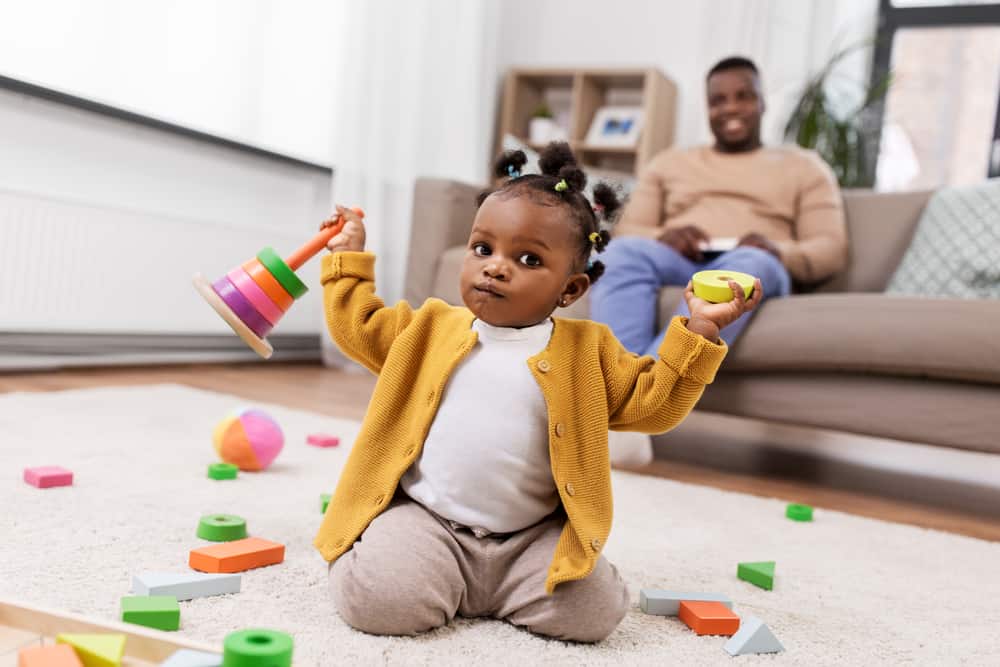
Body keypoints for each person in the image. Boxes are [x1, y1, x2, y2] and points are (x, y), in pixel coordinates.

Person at [314, 142, 762, 642]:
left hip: (529, 540)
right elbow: (359, 324)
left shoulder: (589, 352)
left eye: (527, 259)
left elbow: (654, 404)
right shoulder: (428, 328)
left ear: (569, 291)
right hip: (430, 522)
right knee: (380, 602)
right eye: (482, 249)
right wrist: (347, 258)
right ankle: (422, 571)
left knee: (594, 614)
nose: (495, 266)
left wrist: (699, 331)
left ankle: (487, 590)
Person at [590, 56, 847, 466]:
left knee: (746, 263)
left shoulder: (804, 167)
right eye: (718, 100)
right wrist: (664, 236)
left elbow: (830, 248)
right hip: (680, 259)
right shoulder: (670, 163)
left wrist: (776, 249)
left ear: (762, 103)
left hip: (756, 261)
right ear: (707, 108)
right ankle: (617, 402)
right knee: (622, 253)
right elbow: (630, 232)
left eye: (743, 96)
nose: (730, 108)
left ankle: (640, 412)